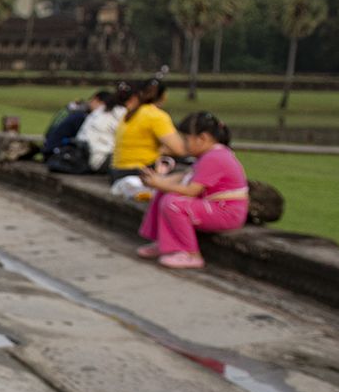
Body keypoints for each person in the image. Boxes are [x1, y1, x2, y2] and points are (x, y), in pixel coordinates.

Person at [135, 111, 248, 269]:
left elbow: (191, 191)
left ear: (203, 139)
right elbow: (186, 176)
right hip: (215, 207)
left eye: (187, 139)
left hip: (226, 211)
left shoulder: (215, 157)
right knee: (163, 193)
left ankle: (190, 253)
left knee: (173, 203)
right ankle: (163, 243)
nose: (184, 144)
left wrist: (159, 183)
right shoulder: (209, 155)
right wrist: (157, 181)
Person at [109, 77, 184, 198]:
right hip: (140, 173)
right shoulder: (155, 116)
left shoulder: (130, 113)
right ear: (164, 96)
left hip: (117, 172)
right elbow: (180, 149)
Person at [43, 88, 111, 172]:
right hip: (55, 154)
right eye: (102, 106)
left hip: (51, 149)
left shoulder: (77, 111)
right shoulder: (82, 117)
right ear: (95, 100)